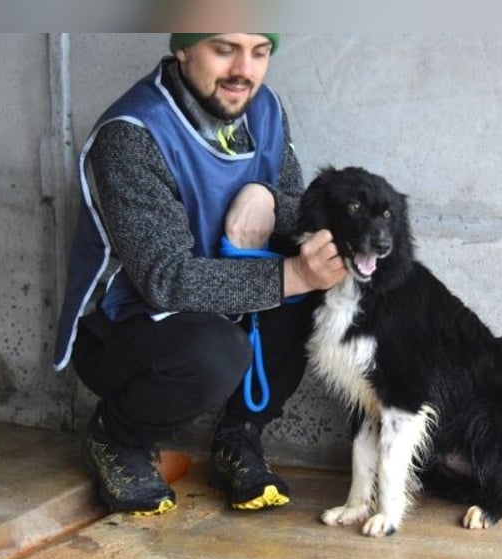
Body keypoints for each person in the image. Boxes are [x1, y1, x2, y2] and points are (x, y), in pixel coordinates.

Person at [53, 33, 347, 516]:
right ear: (184, 49)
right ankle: (117, 437)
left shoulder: (264, 108)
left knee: (326, 287)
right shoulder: (132, 132)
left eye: (259, 52)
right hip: (124, 331)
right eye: (224, 48)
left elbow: (304, 209)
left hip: (222, 307)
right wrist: (290, 276)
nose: (244, 70)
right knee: (217, 349)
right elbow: (165, 280)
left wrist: (269, 197)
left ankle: (239, 436)